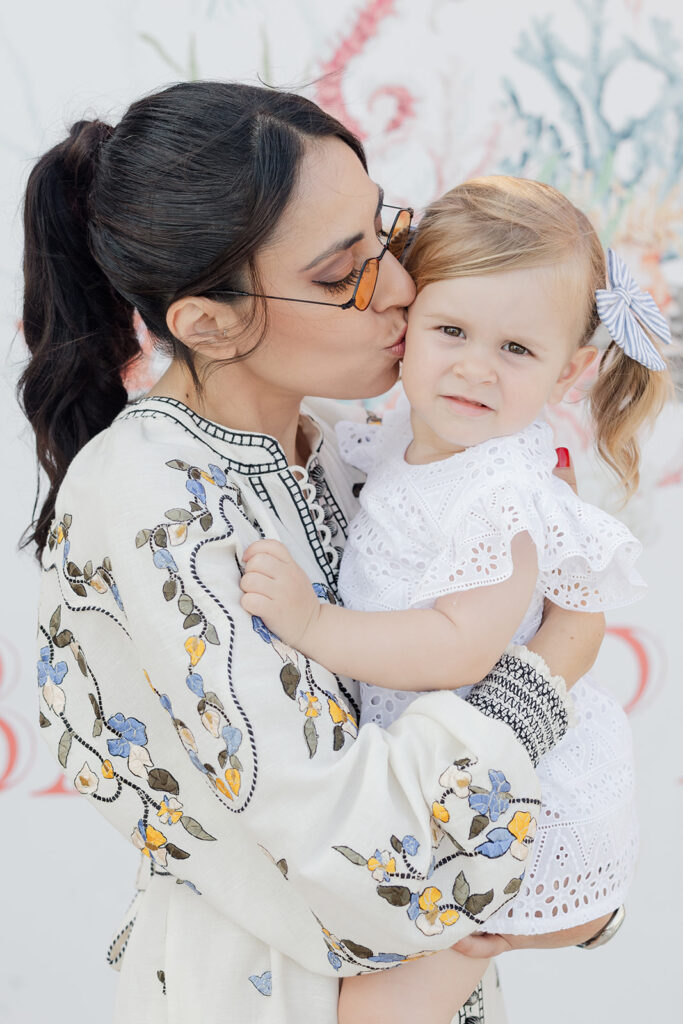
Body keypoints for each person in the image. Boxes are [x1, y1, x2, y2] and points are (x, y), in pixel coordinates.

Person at [20, 82, 612, 1024]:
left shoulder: (348, 448)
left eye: (386, 235)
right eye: (345, 275)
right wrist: (556, 661)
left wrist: (572, 882)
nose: (404, 287)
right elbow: (373, 857)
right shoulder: (147, 496)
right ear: (207, 323)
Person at [239, 176, 673, 1023]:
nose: (475, 367)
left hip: (506, 807)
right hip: (447, 792)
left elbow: (459, 645)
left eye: (515, 349)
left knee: (373, 1018)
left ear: (568, 371)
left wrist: (312, 623)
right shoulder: (409, 440)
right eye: (451, 331)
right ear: (403, 326)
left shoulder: (498, 491)